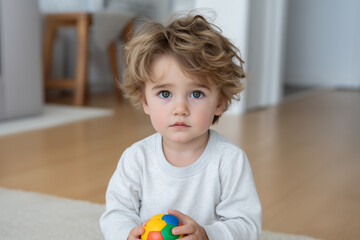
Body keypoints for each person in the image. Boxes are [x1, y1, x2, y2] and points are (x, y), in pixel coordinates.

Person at [100, 13, 262, 240]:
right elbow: (116, 213)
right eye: (165, 93)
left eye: (196, 94)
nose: (180, 108)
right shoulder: (136, 158)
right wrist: (127, 234)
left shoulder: (230, 160)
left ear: (220, 102)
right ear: (146, 101)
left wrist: (208, 234)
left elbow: (246, 224)